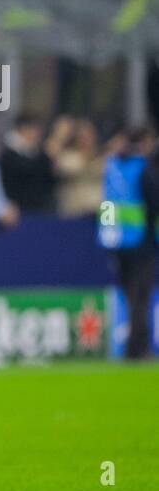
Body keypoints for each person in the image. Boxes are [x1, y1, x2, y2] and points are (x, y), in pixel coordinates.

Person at [99, 125, 157, 359]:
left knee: (128, 294)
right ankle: (137, 348)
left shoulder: (111, 165)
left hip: (117, 239)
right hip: (141, 239)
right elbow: (154, 201)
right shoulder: (144, 168)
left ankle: (131, 346)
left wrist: (108, 235)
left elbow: (106, 201)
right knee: (141, 296)